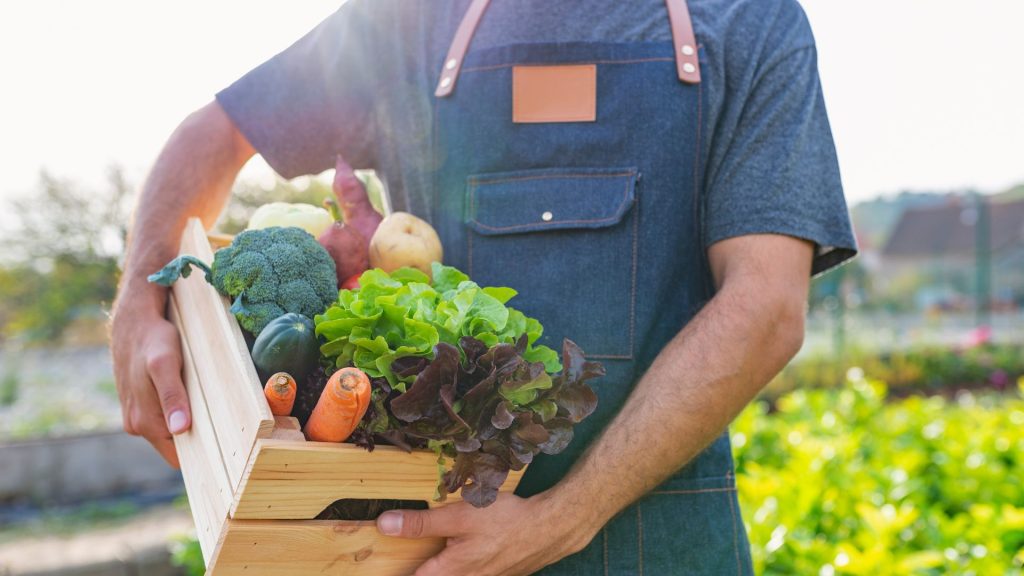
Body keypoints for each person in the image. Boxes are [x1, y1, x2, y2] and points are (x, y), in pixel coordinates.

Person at [110, 0, 857, 574]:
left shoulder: (750, 21)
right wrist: (138, 302)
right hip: (425, 546)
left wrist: (564, 517)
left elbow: (765, 307)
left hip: (663, 542)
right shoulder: (411, 20)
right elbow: (215, 134)